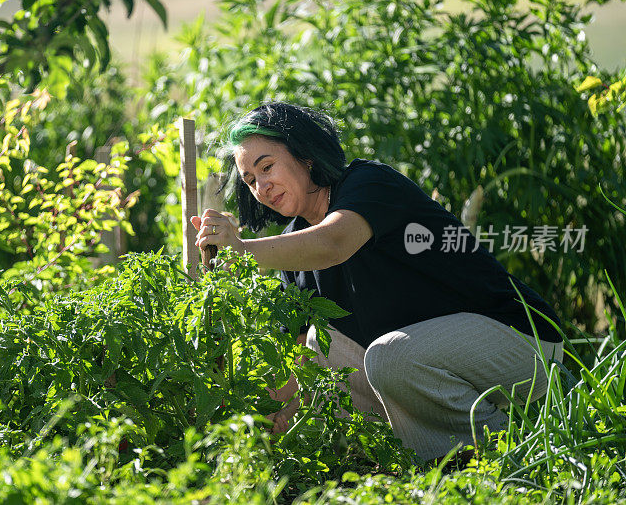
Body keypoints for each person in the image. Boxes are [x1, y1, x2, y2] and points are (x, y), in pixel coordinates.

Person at [190, 102, 564, 463]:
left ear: (304, 156)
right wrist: (269, 410)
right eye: (251, 180)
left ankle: (505, 447)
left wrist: (241, 248)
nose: (261, 187)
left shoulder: (368, 183)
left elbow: (333, 243)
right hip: (432, 361)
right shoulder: (294, 244)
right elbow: (308, 353)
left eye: (267, 167)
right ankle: (434, 461)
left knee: (388, 356)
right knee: (323, 352)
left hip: (520, 342)